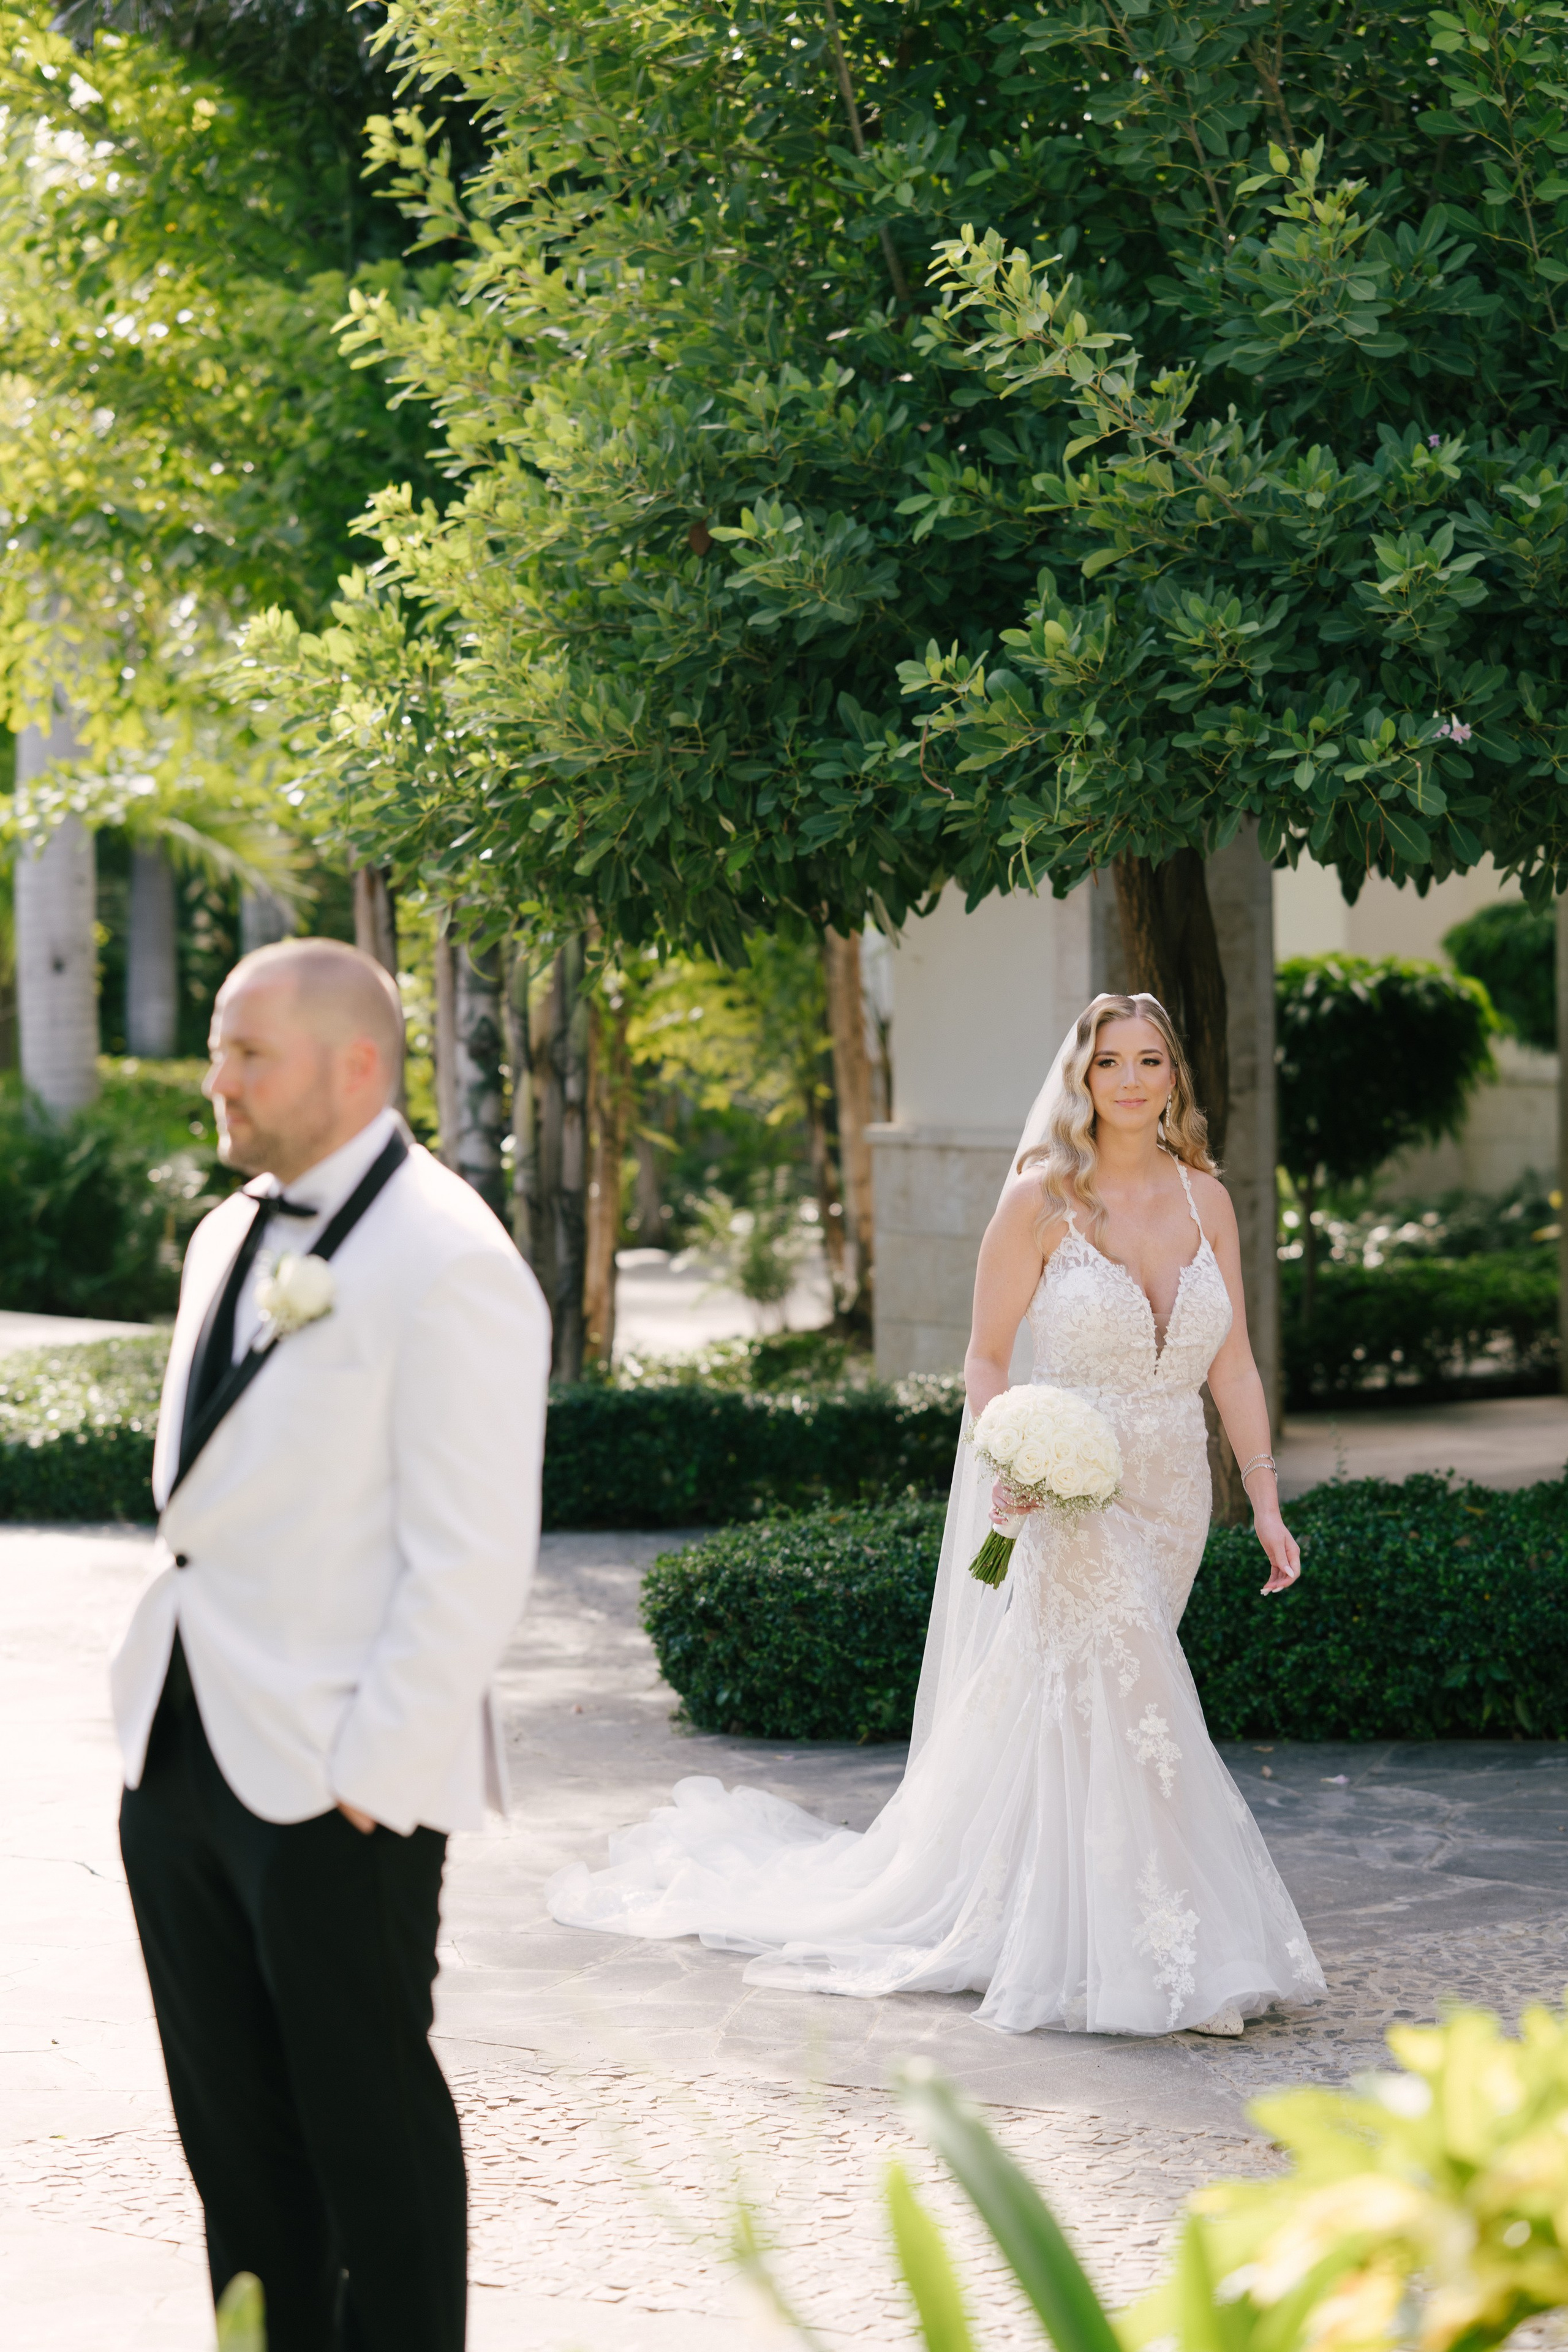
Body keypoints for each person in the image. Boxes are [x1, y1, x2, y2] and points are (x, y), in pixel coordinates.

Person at [547, 991, 1324, 2038]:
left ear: (1173, 1077)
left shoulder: (1206, 1203)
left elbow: (1230, 1363)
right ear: (1082, 1081)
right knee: (1138, 1693)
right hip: (1074, 1493)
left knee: (1082, 1702)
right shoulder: (1041, 1199)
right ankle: (1161, 1949)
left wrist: (1266, 1502)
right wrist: (1010, 1451)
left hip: (1175, 1491)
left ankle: (1030, 1902)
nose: (1133, 1081)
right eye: (1111, 1064)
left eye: (1151, 1061)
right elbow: (987, 1355)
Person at [111, 937, 550, 2350]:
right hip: (182, 1748)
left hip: (337, 1779)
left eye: (248, 1052)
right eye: (220, 1048)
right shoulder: (226, 1231)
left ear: (355, 1064)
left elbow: (470, 1553)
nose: (215, 1078)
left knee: (371, 2144)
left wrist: (370, 1775)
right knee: (234, 2152)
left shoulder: (449, 1258)